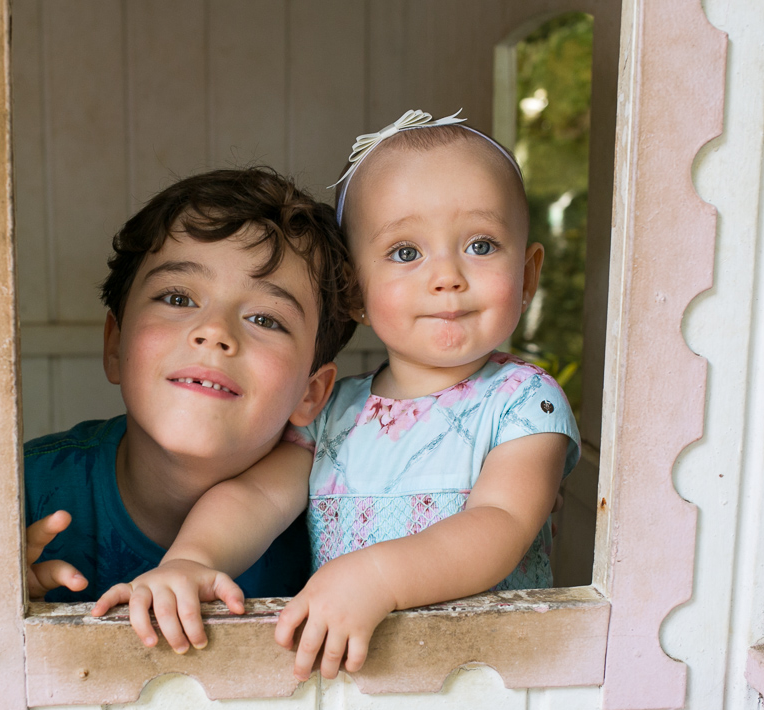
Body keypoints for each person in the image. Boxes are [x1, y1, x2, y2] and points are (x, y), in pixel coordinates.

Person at [94, 110, 580, 677]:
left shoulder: (526, 402)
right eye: (405, 253)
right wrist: (191, 560)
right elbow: (255, 498)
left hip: (489, 674)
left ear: (528, 275)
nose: (446, 275)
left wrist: (376, 579)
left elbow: (500, 523)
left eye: (480, 244)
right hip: (354, 678)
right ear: (355, 293)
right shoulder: (337, 413)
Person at [24, 167, 358, 644]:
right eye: (178, 297)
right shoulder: (18, 496)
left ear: (311, 393)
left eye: (265, 318)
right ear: (115, 345)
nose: (215, 332)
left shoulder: (346, 517)